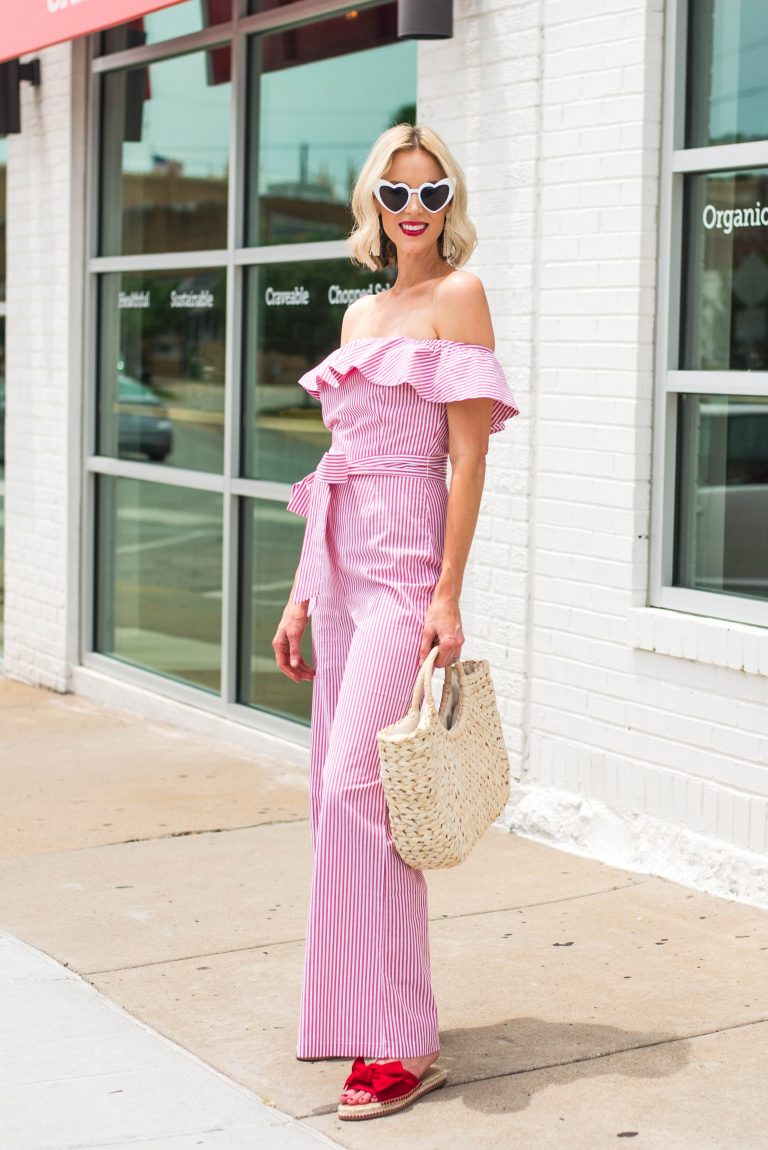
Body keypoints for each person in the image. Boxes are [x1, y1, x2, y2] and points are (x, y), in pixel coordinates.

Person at [271, 122, 519, 1122]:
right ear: (371, 206)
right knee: (334, 798)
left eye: (433, 194)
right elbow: (332, 469)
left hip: (408, 566)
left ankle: (406, 1041)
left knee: (360, 794)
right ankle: (357, 1010)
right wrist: (297, 591)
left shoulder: (459, 297)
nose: (415, 212)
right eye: (396, 195)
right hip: (338, 569)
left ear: (451, 204)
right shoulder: (362, 313)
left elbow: (469, 461)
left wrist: (448, 591)